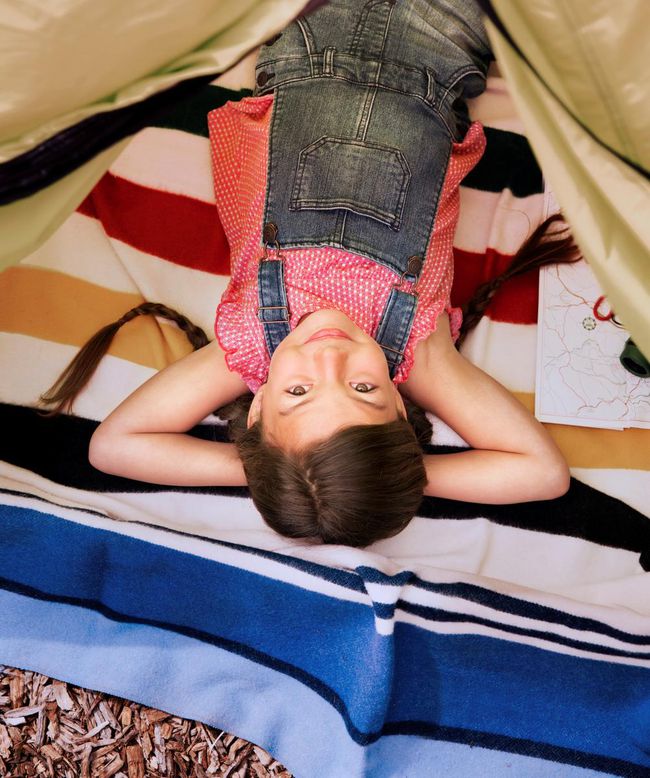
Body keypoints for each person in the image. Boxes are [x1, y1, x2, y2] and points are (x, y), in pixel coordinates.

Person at [42, 0, 576, 547]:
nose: (329, 357)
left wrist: (283, 470)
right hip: (436, 41)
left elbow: (114, 446)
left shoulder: (249, 349)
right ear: (397, 407)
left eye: (298, 391)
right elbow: (541, 473)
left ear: (258, 416)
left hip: (307, 36)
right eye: (363, 387)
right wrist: (387, 479)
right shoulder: (422, 357)